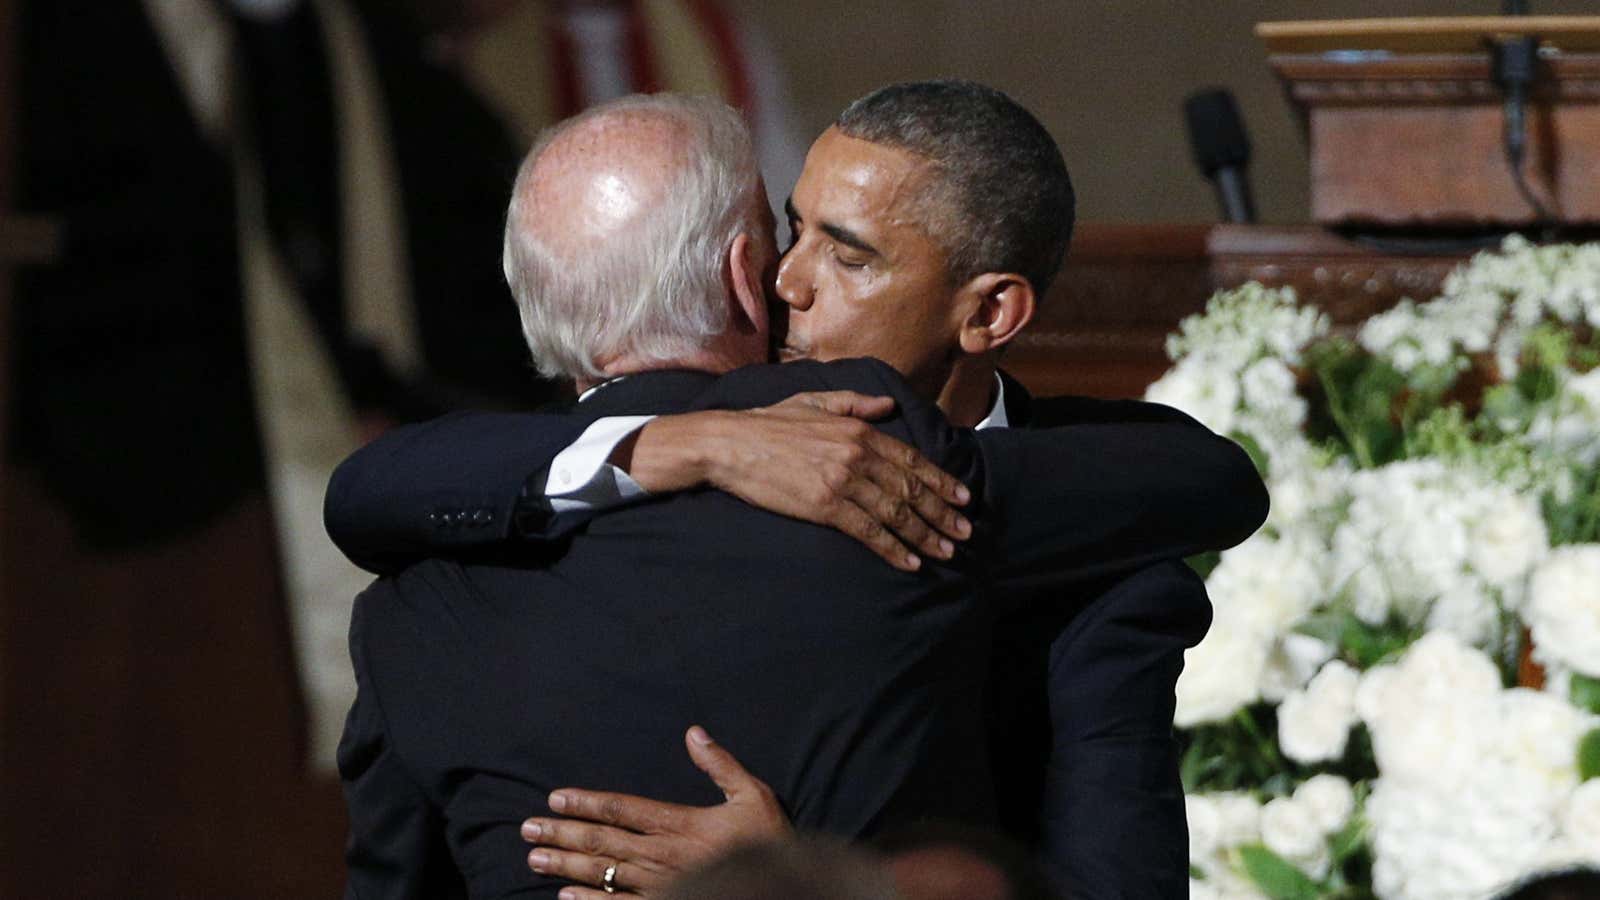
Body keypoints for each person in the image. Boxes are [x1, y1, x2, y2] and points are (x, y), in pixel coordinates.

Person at [328, 82, 1267, 898]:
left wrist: (804, 878)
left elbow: (1211, 477)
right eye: (789, 228)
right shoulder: (546, 494)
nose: (787, 279)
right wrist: (679, 444)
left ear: (988, 311)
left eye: (849, 255)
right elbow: (375, 487)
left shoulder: (1099, 550)